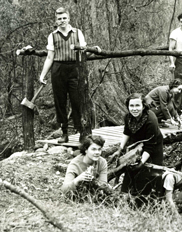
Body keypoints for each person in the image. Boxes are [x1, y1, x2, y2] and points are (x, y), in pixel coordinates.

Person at [38, 7, 100, 143]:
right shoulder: (52, 36)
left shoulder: (77, 33)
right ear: (56, 20)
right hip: (58, 70)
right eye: (59, 19)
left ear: (69, 18)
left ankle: (82, 132)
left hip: (75, 69)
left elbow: (84, 51)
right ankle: (64, 132)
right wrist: (42, 75)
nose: (62, 21)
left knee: (77, 101)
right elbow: (49, 57)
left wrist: (95, 49)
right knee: (60, 102)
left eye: (64, 18)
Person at [111, 93, 164, 203]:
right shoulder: (128, 117)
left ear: (143, 106)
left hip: (154, 146)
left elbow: (150, 146)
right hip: (136, 145)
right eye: (131, 106)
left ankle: (151, 199)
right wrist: (120, 149)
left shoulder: (151, 120)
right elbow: (126, 132)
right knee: (130, 167)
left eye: (137, 106)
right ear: (128, 106)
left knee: (150, 172)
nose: (134, 109)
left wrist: (141, 162)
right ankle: (126, 195)